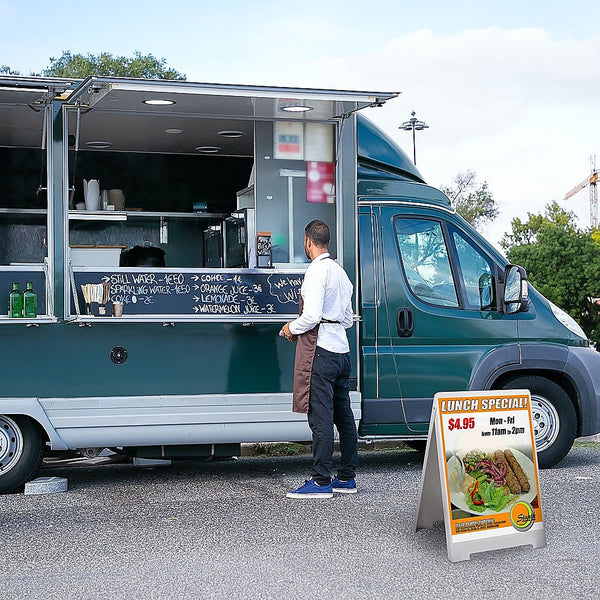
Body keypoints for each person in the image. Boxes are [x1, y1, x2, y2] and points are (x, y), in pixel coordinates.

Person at [280, 220, 358, 498]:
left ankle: (321, 481)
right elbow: (348, 319)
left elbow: (311, 317)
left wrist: (291, 328)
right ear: (327, 241)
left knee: (321, 418)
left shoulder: (316, 272)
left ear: (307, 241)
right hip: (342, 352)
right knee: (344, 417)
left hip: (321, 352)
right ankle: (347, 478)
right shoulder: (340, 272)